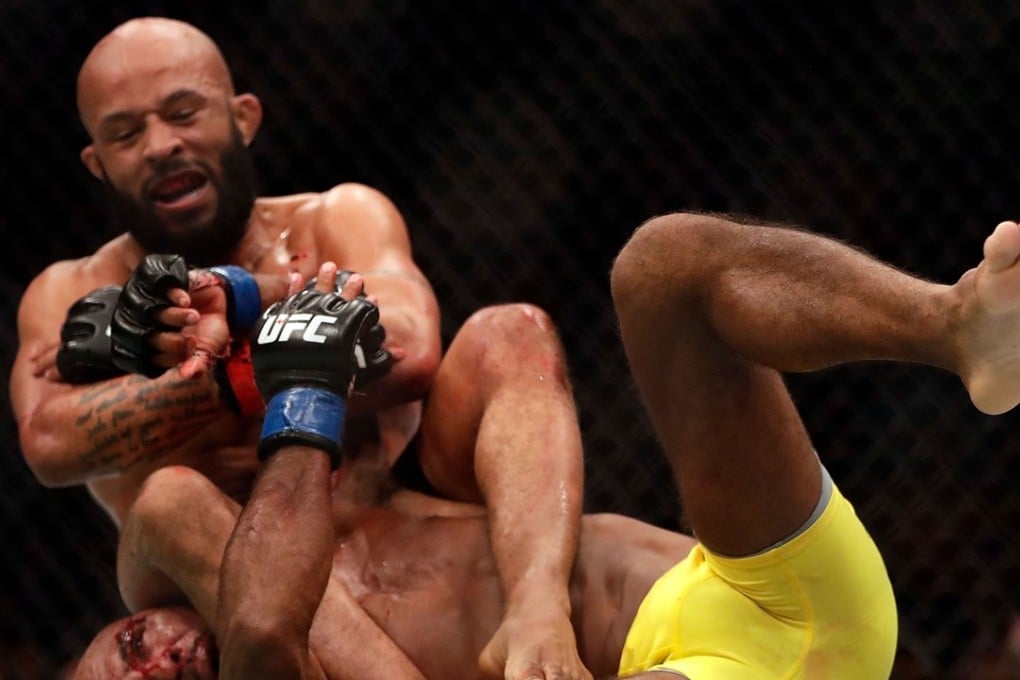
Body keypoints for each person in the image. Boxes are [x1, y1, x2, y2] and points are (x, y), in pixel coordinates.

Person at [76, 214, 1020, 678]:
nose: (153, 663)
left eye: (123, 656)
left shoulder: (422, 473)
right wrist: (299, 390)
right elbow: (258, 627)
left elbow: (429, 338)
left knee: (662, 267)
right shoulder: (214, 558)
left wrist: (254, 322)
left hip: (767, 592)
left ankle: (955, 326)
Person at [8, 16, 587, 680]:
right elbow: (50, 445)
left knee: (512, 332)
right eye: (125, 133)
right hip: (229, 601)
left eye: (182, 113)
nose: (161, 146)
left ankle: (538, 620)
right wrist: (238, 370)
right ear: (97, 163)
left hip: (398, 523)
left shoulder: (338, 216)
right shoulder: (71, 291)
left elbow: (412, 344)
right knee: (170, 497)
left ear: (244, 117)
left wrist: (236, 313)